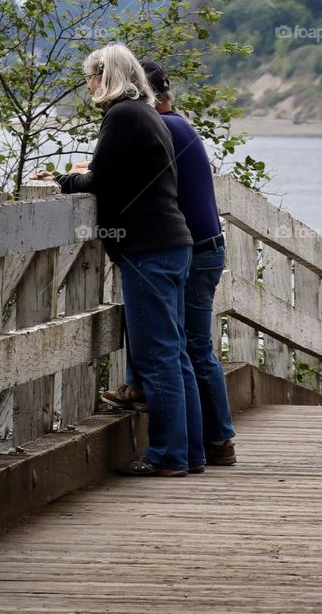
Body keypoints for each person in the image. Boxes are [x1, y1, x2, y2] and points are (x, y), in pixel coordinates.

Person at [34, 42, 205, 477]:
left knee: (158, 354)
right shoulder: (145, 112)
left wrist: (60, 180)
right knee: (176, 352)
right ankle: (191, 453)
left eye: (90, 76)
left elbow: (102, 178)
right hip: (172, 243)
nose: (88, 84)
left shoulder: (122, 115)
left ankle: (166, 455)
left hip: (148, 249)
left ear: (105, 75)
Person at [114, 59, 236, 467]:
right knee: (190, 346)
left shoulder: (161, 127)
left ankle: (207, 441)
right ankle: (212, 443)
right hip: (205, 245)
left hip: (194, 250)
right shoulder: (180, 125)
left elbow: (127, 175)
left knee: (187, 346)